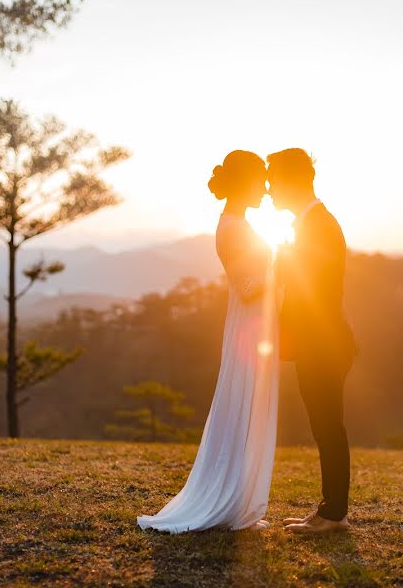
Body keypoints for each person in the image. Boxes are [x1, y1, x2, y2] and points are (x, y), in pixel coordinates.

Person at [137, 150, 279, 533]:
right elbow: (248, 289)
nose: (266, 191)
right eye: (261, 181)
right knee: (240, 406)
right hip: (248, 327)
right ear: (246, 183)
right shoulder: (233, 229)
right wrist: (284, 268)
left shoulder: (237, 224)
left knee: (247, 408)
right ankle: (226, 499)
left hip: (254, 328)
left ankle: (237, 497)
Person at [269, 148, 357, 534]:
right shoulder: (309, 224)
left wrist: (284, 263)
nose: (269, 190)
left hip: (323, 344)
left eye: (274, 181)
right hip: (317, 343)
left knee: (328, 427)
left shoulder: (319, 225)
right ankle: (329, 510)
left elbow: (316, 291)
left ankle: (334, 514)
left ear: (291, 182)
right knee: (324, 426)